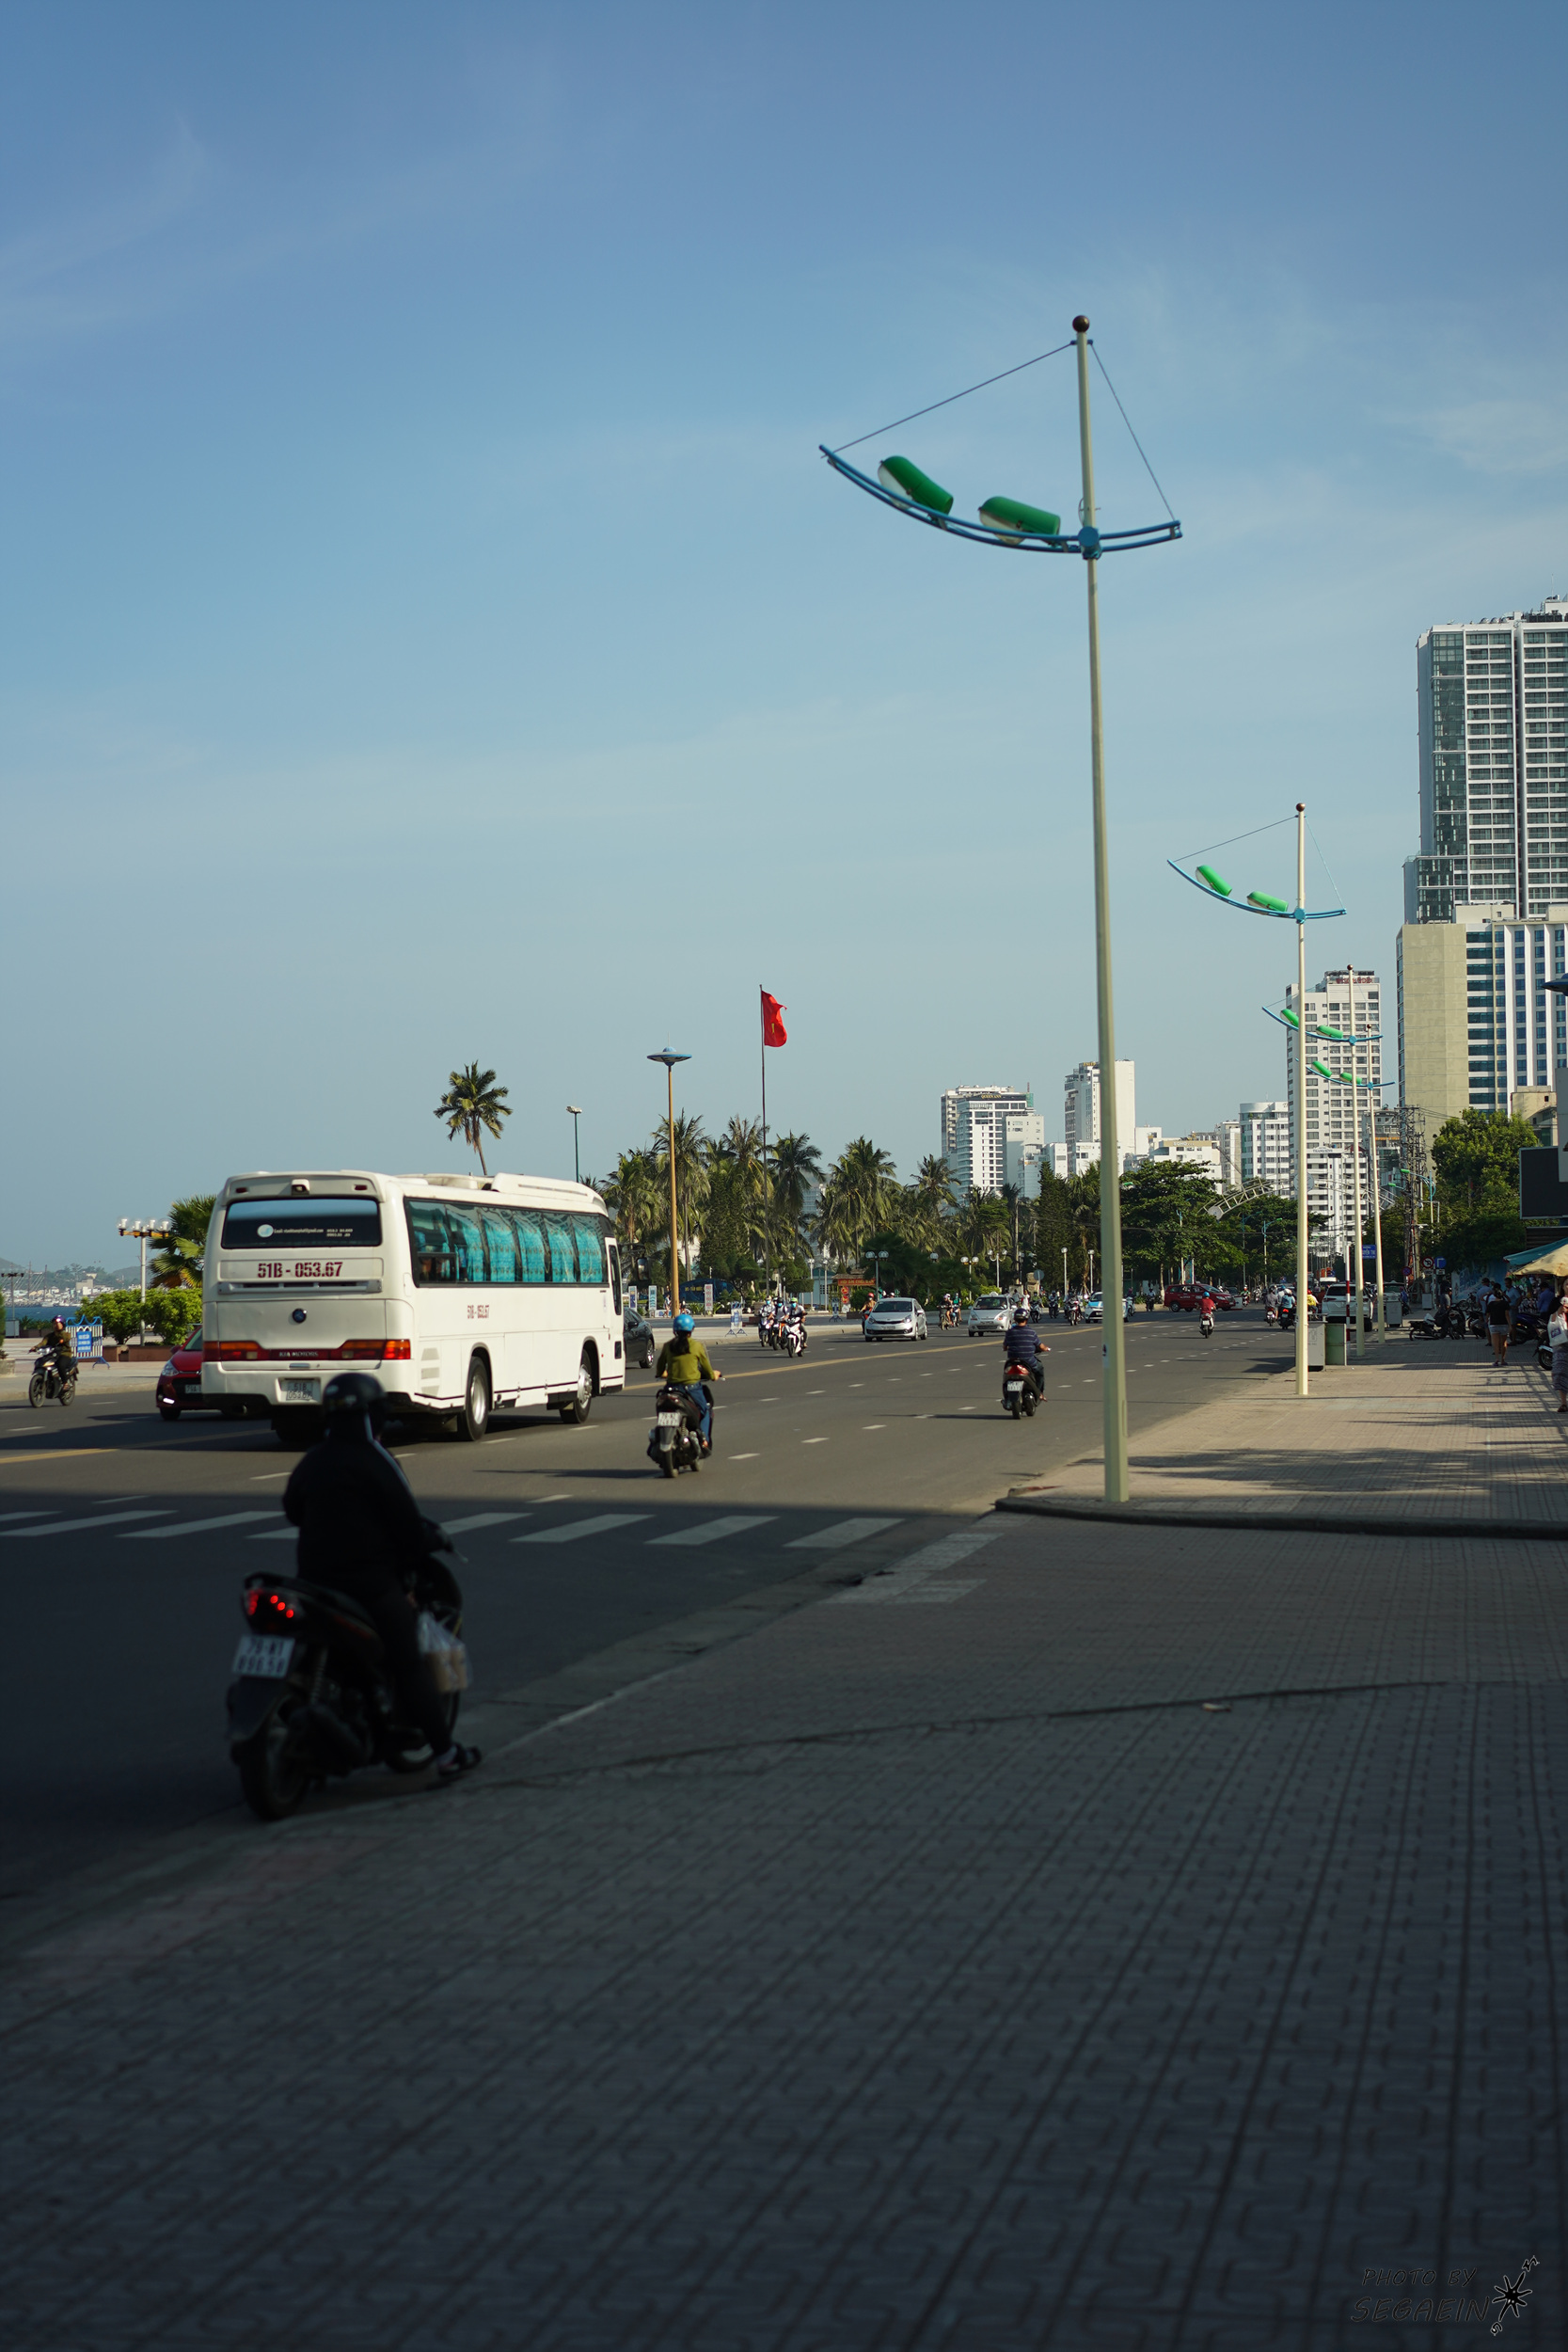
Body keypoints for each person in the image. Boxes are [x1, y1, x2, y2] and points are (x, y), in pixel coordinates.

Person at [282, 1373, 481, 1782]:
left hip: (312, 1584)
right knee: (409, 1663)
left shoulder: (314, 1458)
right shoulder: (376, 1459)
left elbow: (292, 1510)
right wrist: (421, 1550)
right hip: (368, 1586)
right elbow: (408, 1529)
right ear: (373, 1414)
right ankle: (446, 1755)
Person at [654, 1310, 722, 1450]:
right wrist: (713, 1375)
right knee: (705, 1410)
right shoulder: (697, 1346)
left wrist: (664, 1373)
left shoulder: (668, 1346)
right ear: (691, 1330)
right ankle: (704, 1440)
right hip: (692, 1389)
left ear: (675, 1331)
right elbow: (707, 1369)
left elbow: (660, 1369)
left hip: (671, 1389)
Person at [1002, 1306, 1049, 1401]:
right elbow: (1040, 1346)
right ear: (1026, 1319)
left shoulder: (1010, 1332)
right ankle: (1039, 1393)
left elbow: (1004, 1347)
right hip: (1029, 1362)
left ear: (1015, 1319)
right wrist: (1046, 1349)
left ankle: (1007, 1397)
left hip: (1012, 1361)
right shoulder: (1031, 1332)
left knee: (1005, 1377)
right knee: (1040, 1370)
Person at [1548, 1286, 1568, 1414]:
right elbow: (1550, 1319)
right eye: (1567, 1284)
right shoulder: (1557, 1301)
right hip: (1561, 1341)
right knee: (1559, 1370)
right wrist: (1559, 1311)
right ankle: (1563, 1403)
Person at [1483, 1282, 1511, 1367]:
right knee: (1503, 1343)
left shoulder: (1491, 1304)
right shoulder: (1505, 1303)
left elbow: (1488, 1314)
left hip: (1493, 1324)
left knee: (1495, 1343)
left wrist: (1486, 1321)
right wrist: (1510, 1325)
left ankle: (1496, 1360)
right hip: (1503, 1324)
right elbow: (1507, 1315)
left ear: (1494, 1295)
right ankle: (1503, 1360)